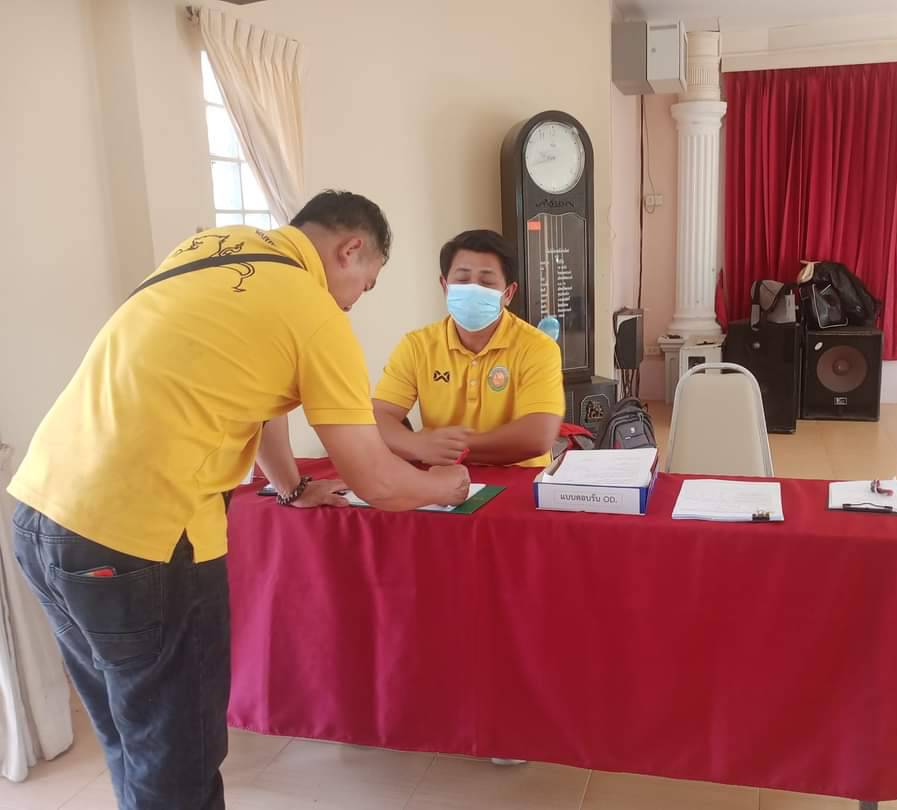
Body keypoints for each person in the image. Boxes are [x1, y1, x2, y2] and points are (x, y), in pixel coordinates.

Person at [7, 191, 469, 810]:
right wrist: (447, 485)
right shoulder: (314, 312)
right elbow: (376, 480)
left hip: (40, 515)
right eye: (368, 282)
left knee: (129, 733)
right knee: (177, 762)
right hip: (144, 539)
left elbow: (258, 401)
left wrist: (293, 488)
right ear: (351, 249)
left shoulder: (208, 249)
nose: (357, 299)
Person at [373, 229, 564, 468]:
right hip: (441, 479)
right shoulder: (416, 346)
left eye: (486, 282)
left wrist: (447, 447)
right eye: (462, 280)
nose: (473, 288)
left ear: (508, 293)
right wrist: (417, 445)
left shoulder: (538, 347)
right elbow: (377, 418)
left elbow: (538, 435)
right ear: (445, 286)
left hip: (520, 479)